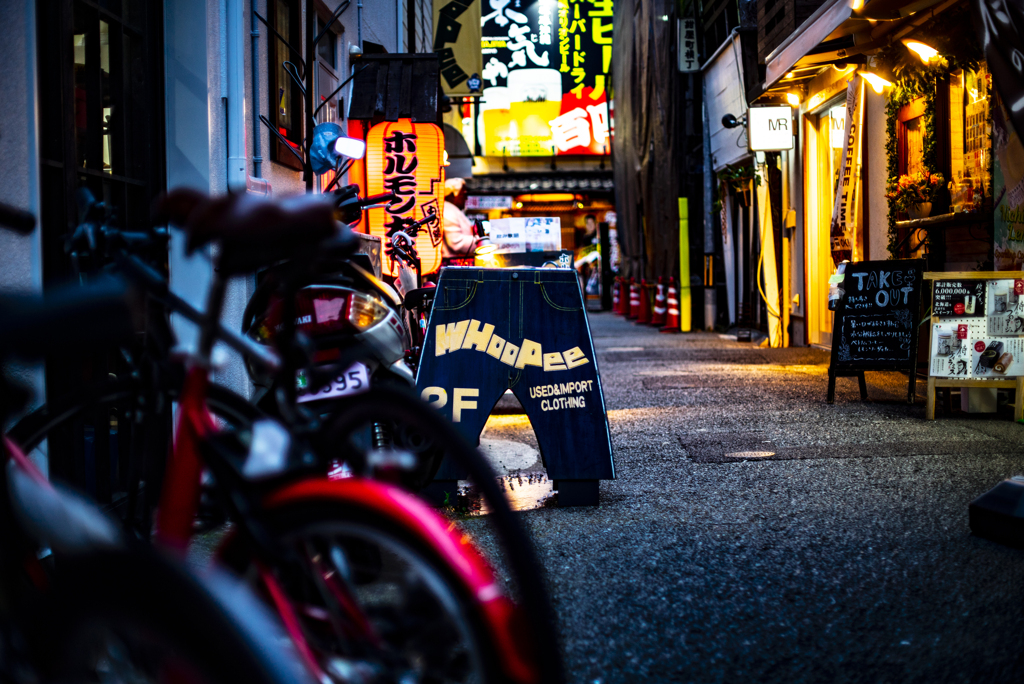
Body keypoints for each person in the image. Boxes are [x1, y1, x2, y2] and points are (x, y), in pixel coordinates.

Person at [442, 177, 478, 260]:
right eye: (463, 194)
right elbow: (457, 243)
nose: (466, 198)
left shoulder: (453, 210)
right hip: (452, 262)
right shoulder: (447, 210)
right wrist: (482, 240)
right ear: (452, 195)